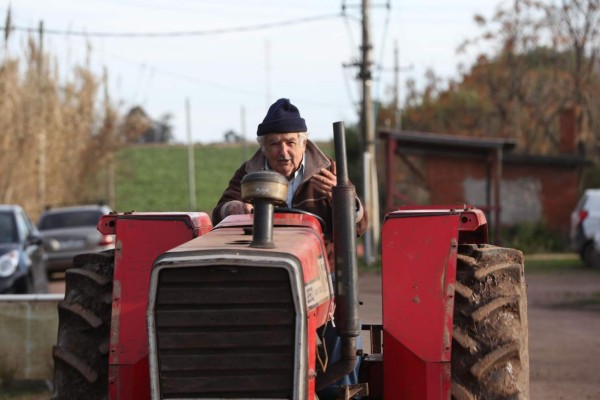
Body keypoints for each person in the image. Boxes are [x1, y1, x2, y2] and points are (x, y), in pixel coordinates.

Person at [211, 97, 368, 239]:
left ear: (303, 144)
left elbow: (360, 227)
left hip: (320, 263)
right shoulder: (249, 174)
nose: (283, 152)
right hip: (268, 259)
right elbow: (218, 216)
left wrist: (343, 199)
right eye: (275, 143)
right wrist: (233, 208)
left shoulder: (328, 171)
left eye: (290, 143)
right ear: (263, 147)